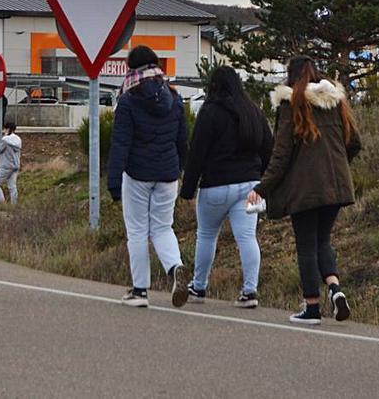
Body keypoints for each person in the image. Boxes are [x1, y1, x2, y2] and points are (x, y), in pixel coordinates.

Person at [247, 56, 362, 325]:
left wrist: (261, 189)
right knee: (322, 240)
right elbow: (354, 142)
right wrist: (338, 167)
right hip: (337, 185)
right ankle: (335, 289)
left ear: (291, 75)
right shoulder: (335, 101)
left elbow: (281, 156)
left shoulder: (292, 104)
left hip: (306, 189)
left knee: (307, 245)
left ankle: (312, 307)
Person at [179, 66, 273, 309]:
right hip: (250, 185)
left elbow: (197, 154)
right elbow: (268, 149)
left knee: (207, 236)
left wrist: (188, 189)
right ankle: (250, 291)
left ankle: (199, 287)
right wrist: (260, 179)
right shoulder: (253, 111)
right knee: (247, 237)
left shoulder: (210, 112)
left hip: (216, 186)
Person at [107, 45, 190, 309]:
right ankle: (175, 267)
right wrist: (183, 172)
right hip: (168, 174)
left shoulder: (129, 100)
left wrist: (113, 182)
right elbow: (182, 141)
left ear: (132, 68)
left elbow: (120, 143)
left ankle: (140, 291)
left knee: (138, 232)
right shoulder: (174, 98)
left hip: (138, 175)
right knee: (163, 228)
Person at [0, 121, 21, 204]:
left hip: (6, 165)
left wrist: (4, 137)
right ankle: (14, 204)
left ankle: (2, 202)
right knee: (12, 186)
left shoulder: (5, 139)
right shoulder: (18, 139)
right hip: (15, 166)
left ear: (7, 129)